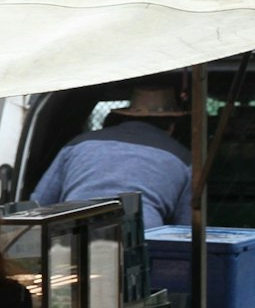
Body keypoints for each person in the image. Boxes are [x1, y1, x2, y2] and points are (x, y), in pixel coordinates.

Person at [31, 81, 192, 230]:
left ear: (126, 115)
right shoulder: (183, 157)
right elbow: (185, 229)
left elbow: (39, 205)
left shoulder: (77, 144)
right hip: (139, 239)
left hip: (72, 234)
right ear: (172, 126)